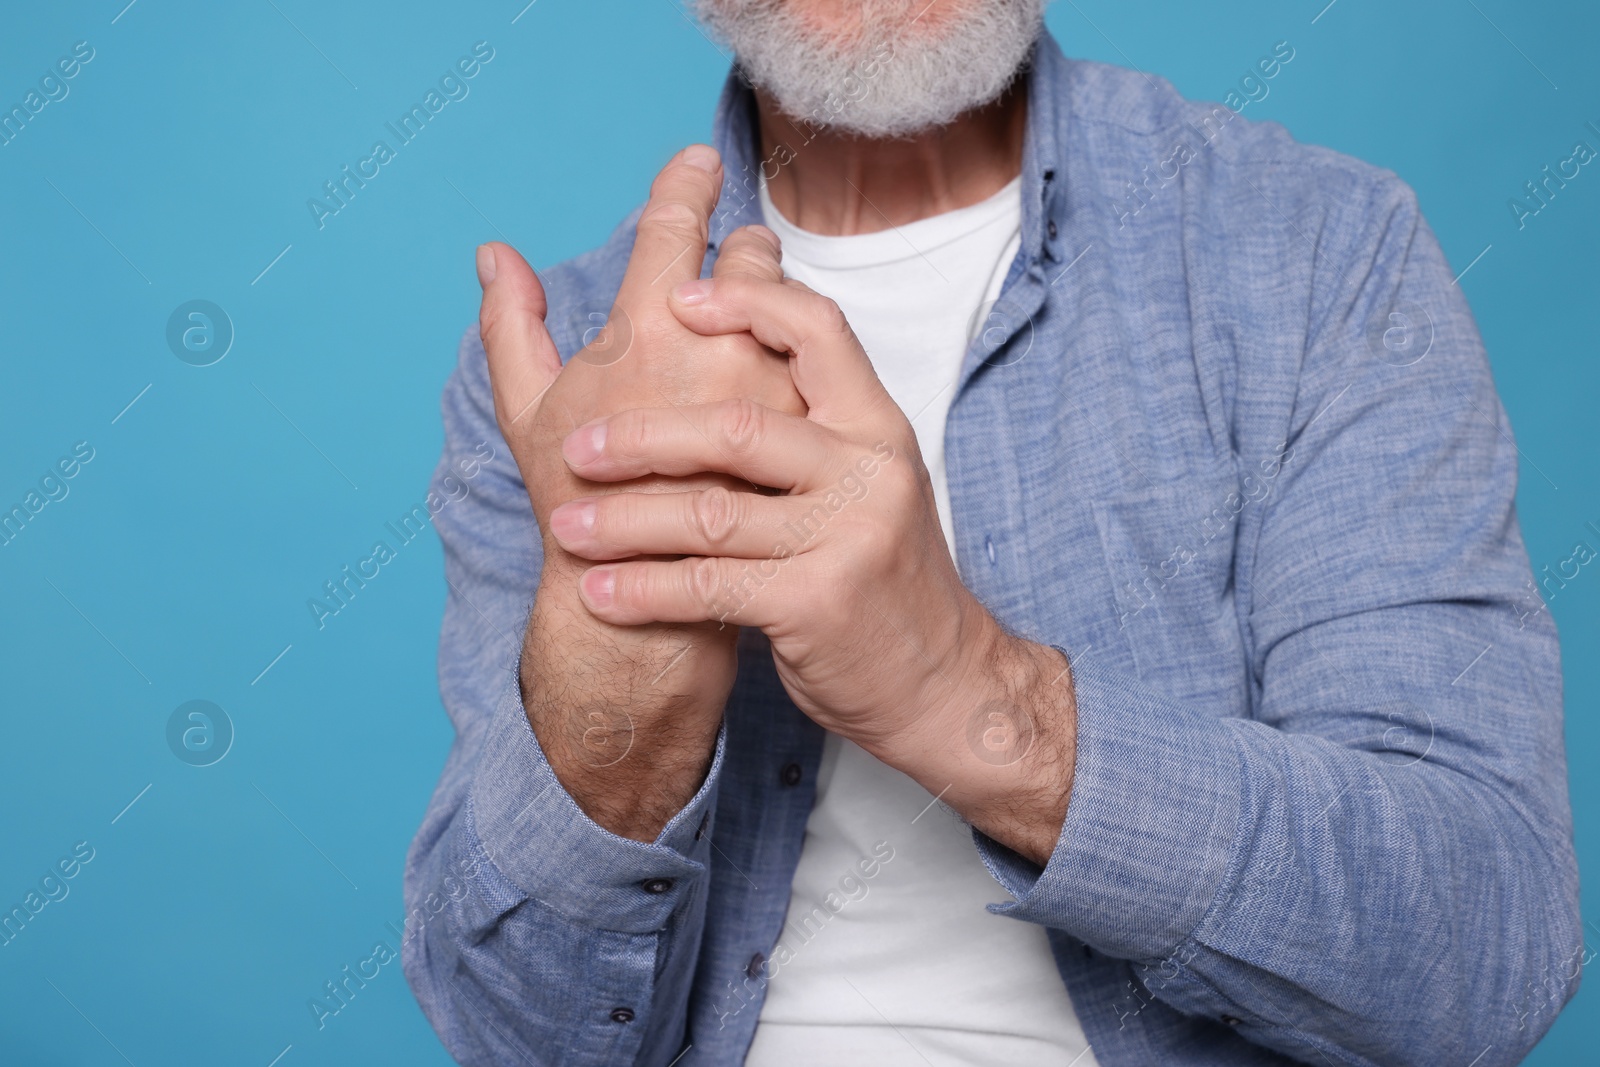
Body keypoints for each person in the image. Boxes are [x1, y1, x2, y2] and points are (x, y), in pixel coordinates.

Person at [402, 2, 1580, 1064]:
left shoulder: (1321, 249)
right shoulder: (567, 375)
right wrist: (619, 657)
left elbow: (1485, 959)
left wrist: (969, 695)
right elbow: (522, 1042)